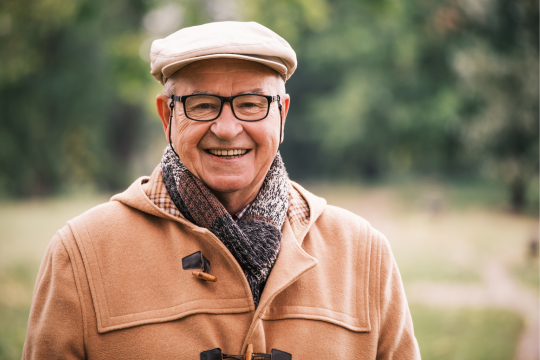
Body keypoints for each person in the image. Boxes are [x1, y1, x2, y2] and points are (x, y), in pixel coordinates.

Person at [23, 21, 420, 359]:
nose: (227, 128)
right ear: (167, 115)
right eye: (202, 104)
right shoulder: (82, 254)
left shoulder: (364, 255)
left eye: (250, 104)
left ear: (281, 115)